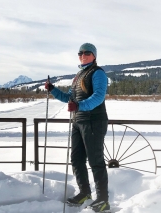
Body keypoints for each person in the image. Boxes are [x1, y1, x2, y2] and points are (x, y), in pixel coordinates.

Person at [45, 43, 110, 213]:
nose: (83, 55)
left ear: (94, 55)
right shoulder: (79, 75)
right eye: (80, 53)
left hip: (94, 121)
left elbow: (98, 97)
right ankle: (85, 193)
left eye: (87, 53)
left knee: (96, 161)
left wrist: (79, 106)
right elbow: (69, 98)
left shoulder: (98, 73)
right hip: (78, 121)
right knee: (76, 159)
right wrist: (53, 89)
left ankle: (103, 199)